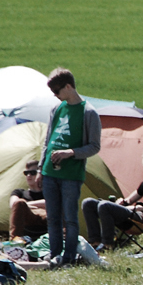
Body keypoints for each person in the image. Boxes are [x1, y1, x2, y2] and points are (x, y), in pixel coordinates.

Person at [40, 68, 101, 268]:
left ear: (68, 86)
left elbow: (94, 146)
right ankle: (55, 254)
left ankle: (69, 257)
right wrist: (41, 168)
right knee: (53, 218)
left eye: (57, 91)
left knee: (70, 218)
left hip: (71, 175)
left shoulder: (88, 112)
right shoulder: (56, 110)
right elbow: (47, 141)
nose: (55, 96)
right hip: (50, 172)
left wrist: (70, 153)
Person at [82, 149, 143, 252]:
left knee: (104, 206)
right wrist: (122, 202)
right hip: (134, 213)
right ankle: (94, 243)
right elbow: (130, 200)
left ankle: (107, 244)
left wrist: (138, 207)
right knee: (88, 203)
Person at [8, 160, 47, 240]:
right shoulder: (19, 192)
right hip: (28, 222)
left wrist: (28, 205)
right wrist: (25, 205)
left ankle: (64, 241)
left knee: (58, 205)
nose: (29, 175)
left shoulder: (49, 192)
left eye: (33, 173)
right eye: (26, 173)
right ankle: (15, 241)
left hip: (47, 222)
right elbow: (13, 205)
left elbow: (51, 203)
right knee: (19, 203)